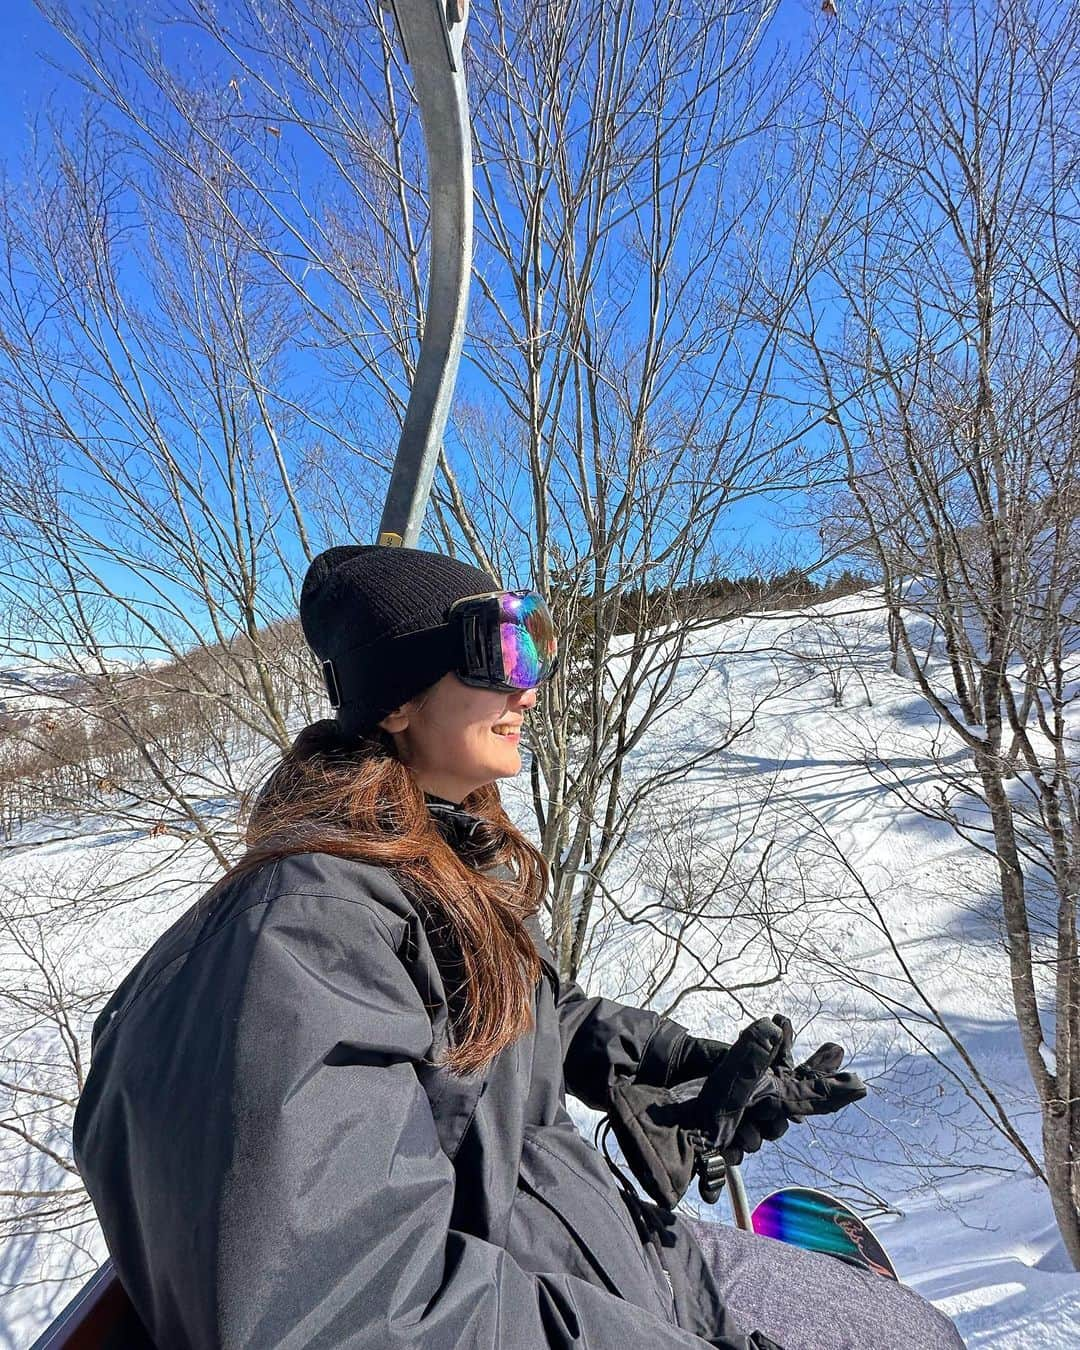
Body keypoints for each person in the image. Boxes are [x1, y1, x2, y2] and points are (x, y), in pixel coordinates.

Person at [72, 545, 965, 1349]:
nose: (528, 692)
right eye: (501, 659)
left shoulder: (428, 864)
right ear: (397, 703)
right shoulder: (303, 935)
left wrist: (681, 1067)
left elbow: (528, 1014)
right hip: (566, 1295)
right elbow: (350, 1310)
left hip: (605, 1256)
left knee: (923, 1332)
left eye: (532, 656)